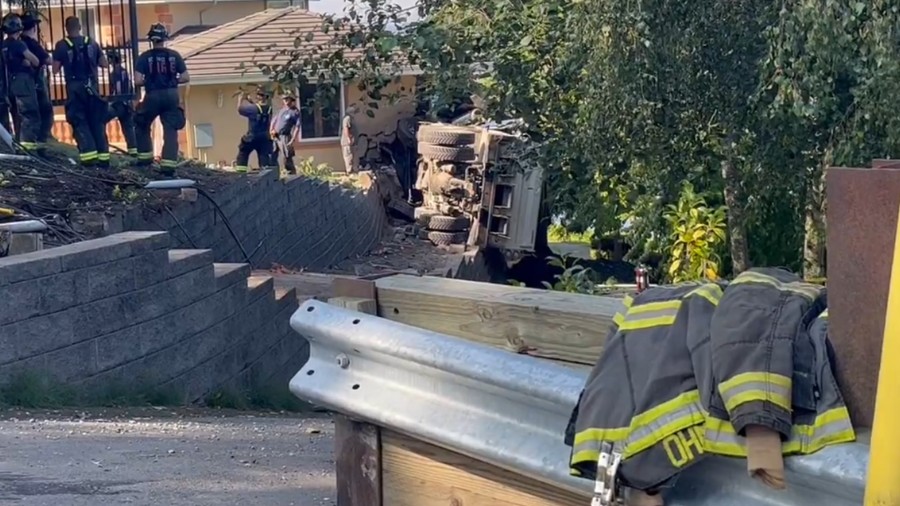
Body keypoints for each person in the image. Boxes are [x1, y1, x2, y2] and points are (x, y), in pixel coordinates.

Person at [52, 16, 109, 167]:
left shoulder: (61, 45)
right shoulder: (91, 42)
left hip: (75, 89)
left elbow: (55, 69)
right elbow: (104, 64)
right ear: (80, 27)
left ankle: (89, 159)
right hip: (92, 87)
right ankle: (104, 159)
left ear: (66, 28)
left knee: (80, 121)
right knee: (97, 122)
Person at [133, 23, 189, 175]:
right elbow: (185, 77)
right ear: (165, 39)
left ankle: (145, 159)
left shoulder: (144, 57)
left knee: (142, 123)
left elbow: (137, 80)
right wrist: (171, 81)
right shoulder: (174, 55)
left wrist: (151, 81)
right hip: (171, 95)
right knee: (170, 130)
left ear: (151, 40)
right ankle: (168, 166)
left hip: (153, 95)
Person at [2, 14, 40, 152]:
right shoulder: (19, 44)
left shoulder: (3, 45)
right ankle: (28, 149)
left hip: (8, 85)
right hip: (22, 84)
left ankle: (16, 146)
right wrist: (27, 62)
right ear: (19, 29)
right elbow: (35, 61)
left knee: (16, 115)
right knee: (29, 115)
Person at [21, 12, 52, 147]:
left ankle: (29, 145)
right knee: (45, 114)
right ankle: (39, 145)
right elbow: (48, 60)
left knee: (27, 115)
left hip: (21, 85)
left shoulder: (18, 43)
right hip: (36, 84)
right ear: (34, 28)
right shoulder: (32, 44)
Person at [234, 88, 273, 173]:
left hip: (252, 137)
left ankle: (240, 173)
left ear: (258, 97)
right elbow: (259, 110)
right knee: (264, 157)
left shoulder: (253, 109)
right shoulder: (269, 109)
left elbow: (240, 110)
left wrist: (241, 99)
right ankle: (265, 174)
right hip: (264, 138)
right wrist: (250, 101)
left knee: (243, 153)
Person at [106, 49, 136, 156]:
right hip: (127, 103)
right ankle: (133, 151)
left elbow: (117, 89)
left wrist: (112, 101)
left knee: (100, 120)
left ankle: (102, 147)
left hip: (119, 103)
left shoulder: (115, 73)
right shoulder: (125, 71)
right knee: (128, 128)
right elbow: (130, 87)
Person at [269, 92, 300, 175]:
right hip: (275, 136)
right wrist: (271, 130)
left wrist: (293, 139)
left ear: (291, 100)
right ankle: (274, 174)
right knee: (272, 155)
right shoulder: (281, 110)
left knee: (287, 157)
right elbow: (274, 120)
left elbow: (297, 127)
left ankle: (291, 175)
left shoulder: (294, 112)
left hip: (285, 136)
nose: (285, 100)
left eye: (287, 99)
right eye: (284, 99)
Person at [341, 104, 359, 174]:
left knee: (354, 157)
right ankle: (349, 172)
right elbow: (346, 128)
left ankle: (354, 171)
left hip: (353, 142)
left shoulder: (352, 118)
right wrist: (348, 138)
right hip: (347, 143)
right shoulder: (347, 118)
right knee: (349, 157)